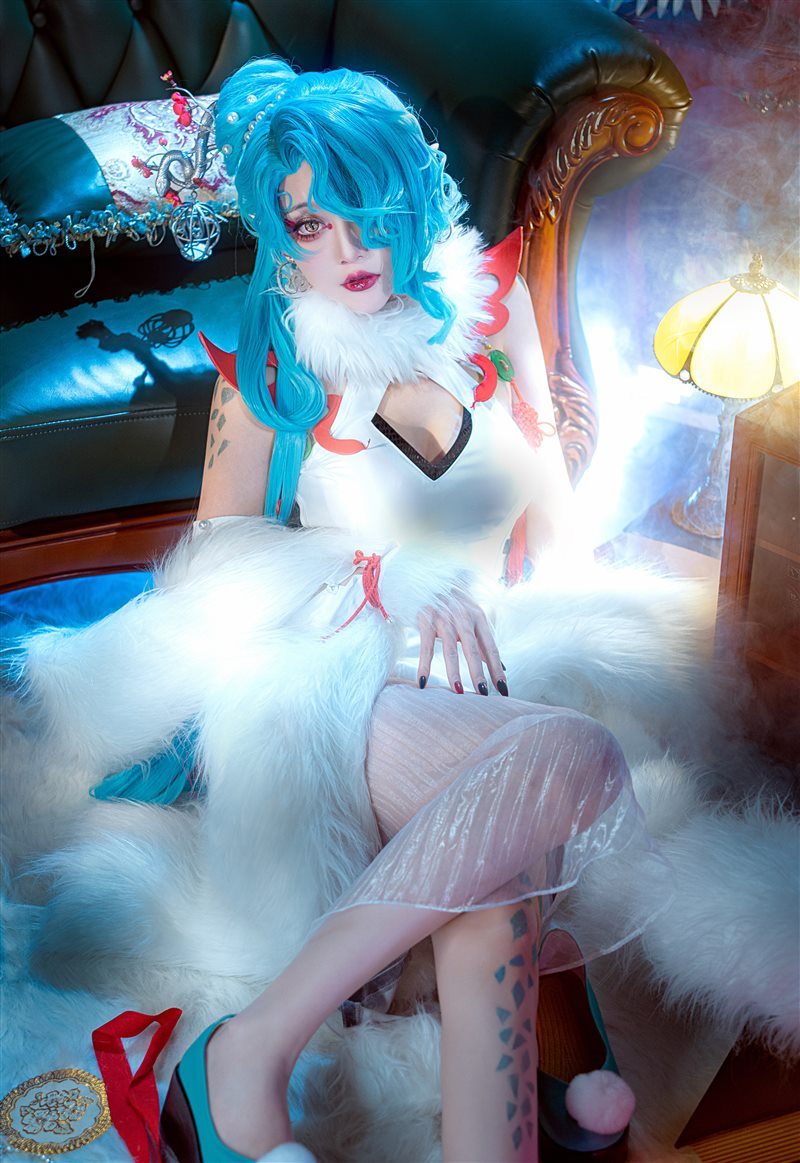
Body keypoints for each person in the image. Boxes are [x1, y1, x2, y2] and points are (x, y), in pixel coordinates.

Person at [78, 56, 654, 1163]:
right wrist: (387, 571)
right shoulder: (270, 376)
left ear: (408, 192)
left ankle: (255, 1056)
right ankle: (264, 1045)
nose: (344, 250)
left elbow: (553, 529)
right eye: (309, 224)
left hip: (496, 676)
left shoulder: (493, 318)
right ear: (278, 231)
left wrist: (557, 627)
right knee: (576, 757)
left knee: (496, 892)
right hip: (351, 682)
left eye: (364, 213)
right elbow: (210, 574)